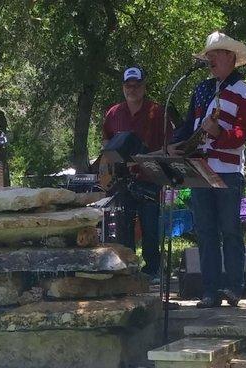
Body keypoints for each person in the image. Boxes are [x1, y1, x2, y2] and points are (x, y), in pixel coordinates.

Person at [169, 32, 246, 308]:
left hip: (228, 170)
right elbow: (187, 126)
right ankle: (210, 290)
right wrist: (172, 144)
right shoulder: (202, 89)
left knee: (230, 229)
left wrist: (218, 134)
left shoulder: (244, 91)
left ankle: (233, 287)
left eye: (215, 54)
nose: (210, 59)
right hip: (199, 168)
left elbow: (242, 135)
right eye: (208, 55)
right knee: (205, 231)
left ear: (231, 57)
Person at [102, 66, 170, 280]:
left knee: (150, 227)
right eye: (128, 85)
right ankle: (128, 268)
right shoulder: (113, 113)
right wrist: (112, 164)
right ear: (123, 87)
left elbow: (171, 146)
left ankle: (152, 270)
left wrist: (145, 160)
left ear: (144, 86)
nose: (132, 89)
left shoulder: (157, 112)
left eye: (137, 85)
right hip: (122, 181)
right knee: (123, 227)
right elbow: (106, 142)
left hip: (149, 178)